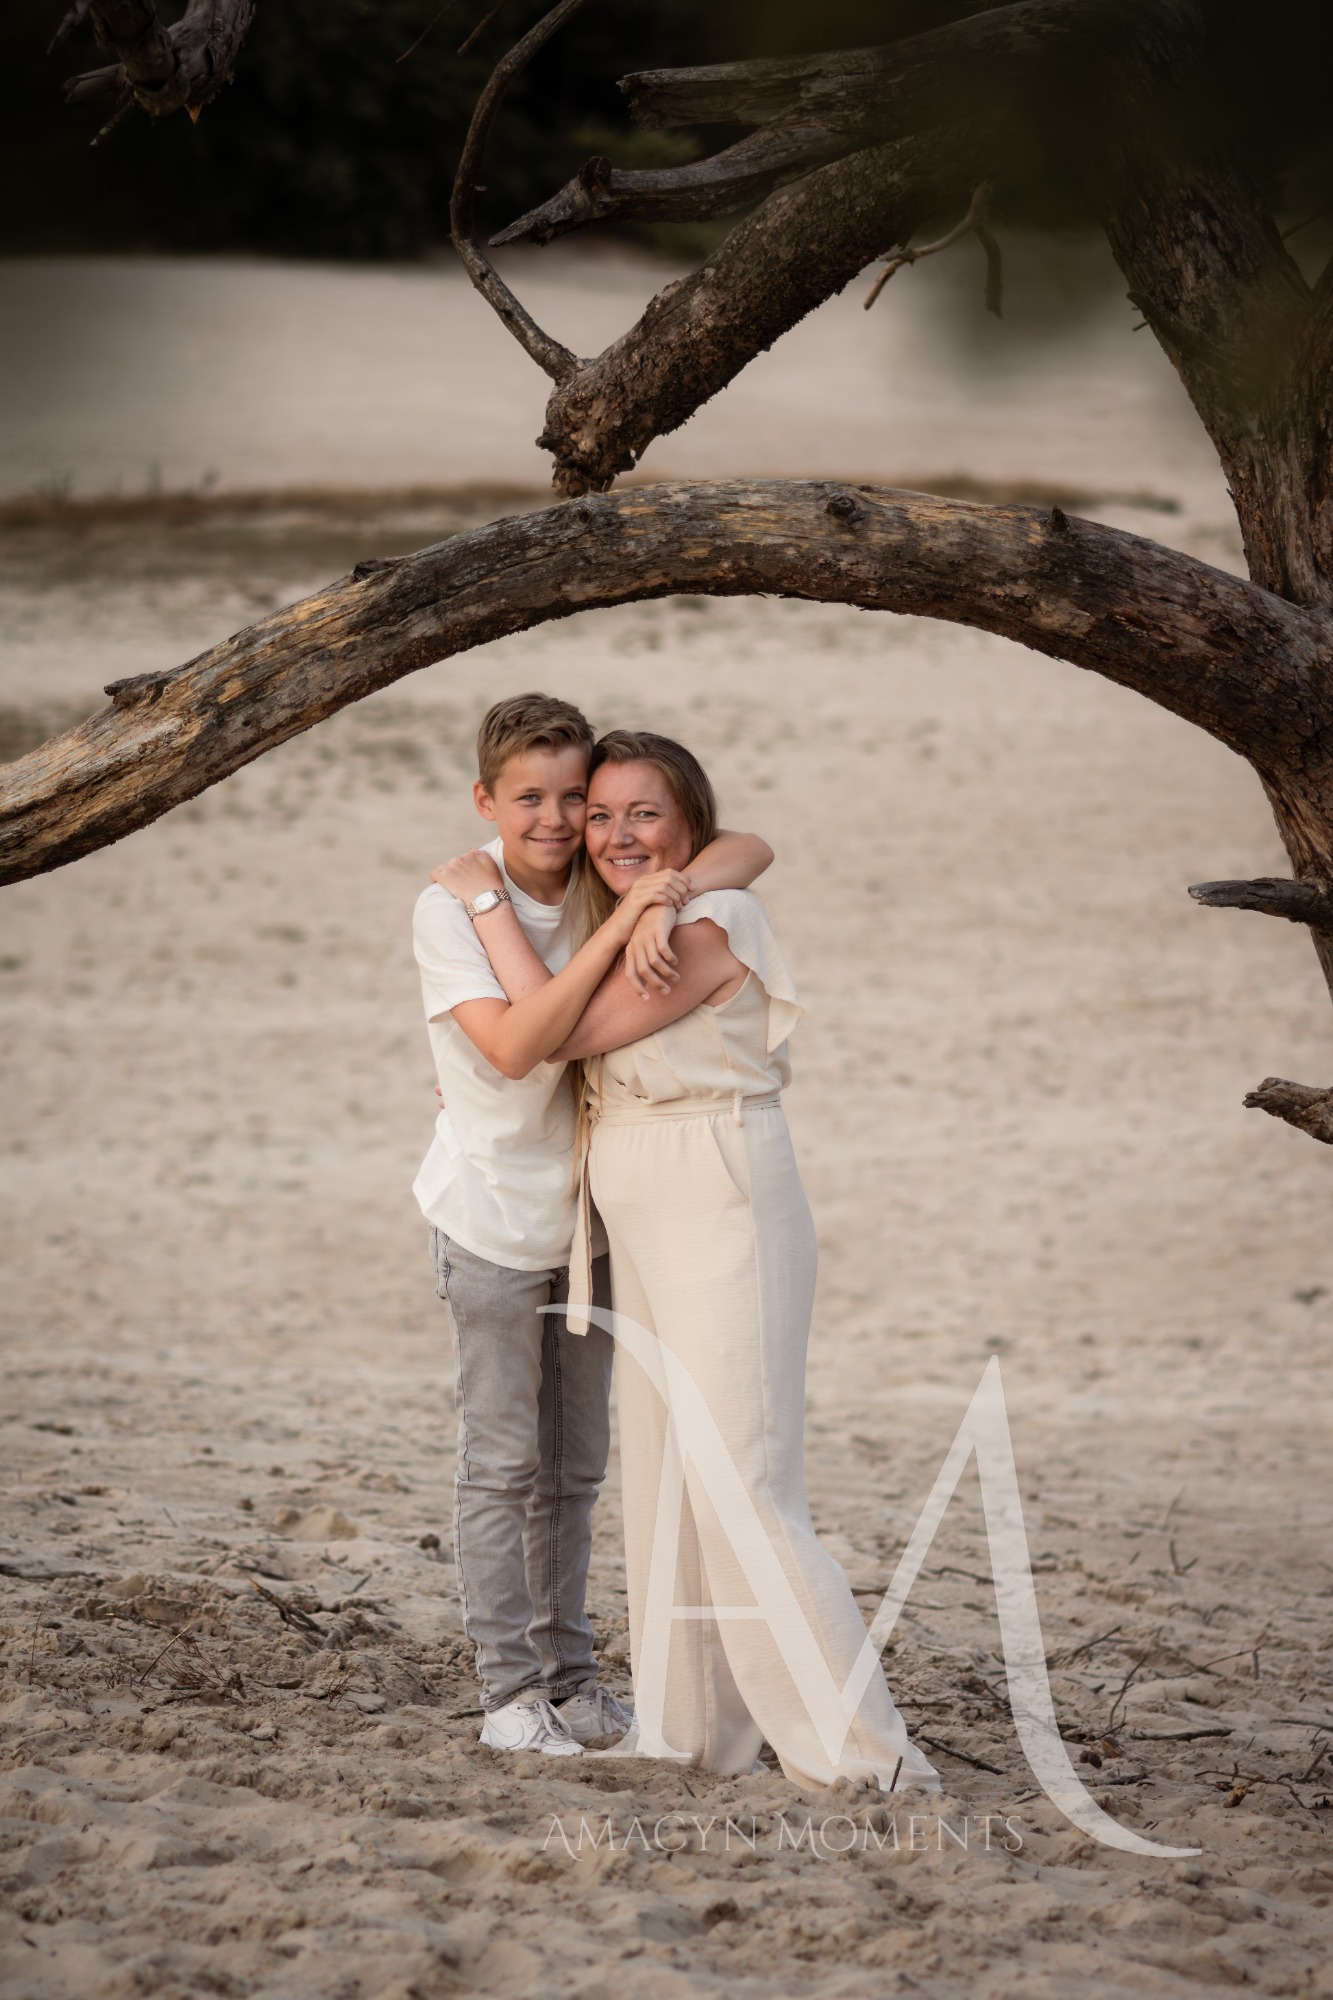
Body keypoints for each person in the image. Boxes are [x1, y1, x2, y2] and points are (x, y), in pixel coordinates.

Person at [433, 731, 938, 1794]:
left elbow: (554, 1035)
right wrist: (643, 901)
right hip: (631, 1203)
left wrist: (506, 904)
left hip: (718, 1185)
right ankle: (692, 1732)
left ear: (687, 822)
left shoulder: (714, 920)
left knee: (743, 1477)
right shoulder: (632, 909)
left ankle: (865, 1754)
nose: (614, 834)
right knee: (666, 1479)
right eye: (600, 814)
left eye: (643, 814)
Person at [413, 694, 773, 1758]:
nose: (558, 819)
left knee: (574, 1471)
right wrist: (624, 917)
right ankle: (508, 1695)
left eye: (574, 796)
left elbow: (747, 845)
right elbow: (516, 1046)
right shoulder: (454, 905)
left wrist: (660, 901)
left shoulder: (594, 875)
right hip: (487, 1218)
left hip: (588, 1222)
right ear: (486, 800)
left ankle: (572, 1685)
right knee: (500, 1467)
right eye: (529, 797)